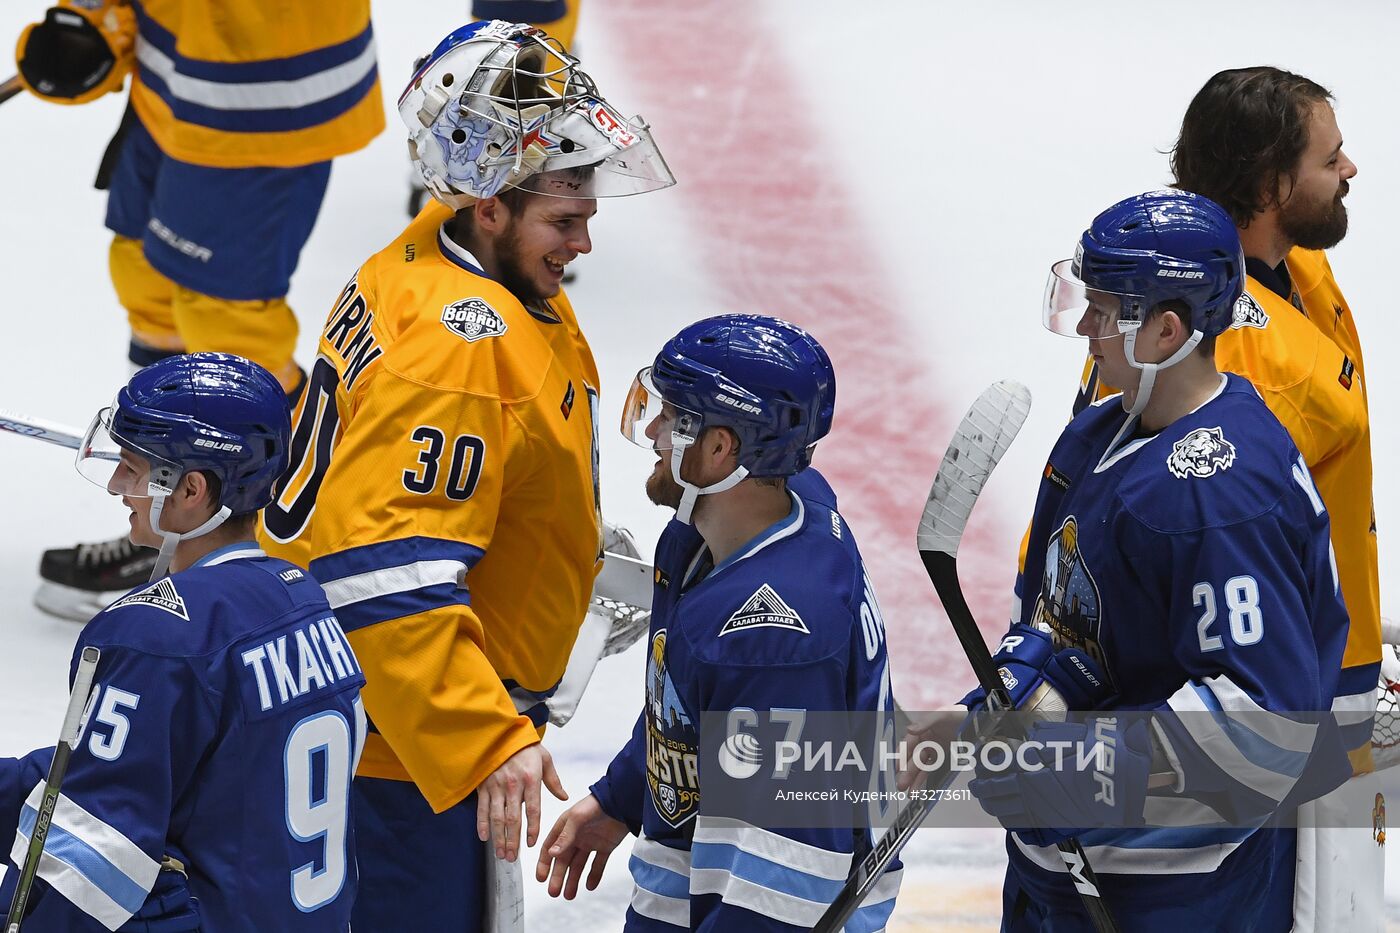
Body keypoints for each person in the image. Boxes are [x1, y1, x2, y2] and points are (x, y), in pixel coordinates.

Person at [255, 20, 674, 932]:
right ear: (490, 205)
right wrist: (481, 741)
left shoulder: (428, 258)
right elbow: (378, 574)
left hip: (390, 726)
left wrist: (551, 532)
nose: (584, 244)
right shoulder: (460, 348)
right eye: (565, 220)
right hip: (403, 756)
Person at [968, 190, 1352, 931]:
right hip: (1067, 871)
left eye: (1105, 310)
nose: (1086, 326)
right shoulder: (1100, 433)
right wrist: (1018, 685)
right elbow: (1070, 617)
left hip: (1178, 893)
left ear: (1168, 330)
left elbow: (1258, 725)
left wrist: (1078, 780)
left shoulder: (1224, 493)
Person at [1069, 68, 1380, 929]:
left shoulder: (1290, 265)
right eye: (1328, 156)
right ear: (1273, 186)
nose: (1350, 166)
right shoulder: (1233, 359)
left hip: (1313, 658)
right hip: (1271, 696)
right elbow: (1203, 542)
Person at [16, 0, 385, 619]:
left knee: (225, 321)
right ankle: (174, 513)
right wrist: (99, 15)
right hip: (171, 69)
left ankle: (263, 546)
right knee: (146, 277)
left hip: (261, 86)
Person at [536, 314, 903, 931]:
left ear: (721, 448)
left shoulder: (773, 636)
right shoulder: (739, 524)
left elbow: (783, 889)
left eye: (674, 416)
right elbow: (687, 706)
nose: (652, 431)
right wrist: (624, 794)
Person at [0, 353, 367, 931]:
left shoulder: (154, 637)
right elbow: (192, 769)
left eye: (132, 467)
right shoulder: (305, 603)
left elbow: (85, 867)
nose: (119, 485)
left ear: (192, 488)